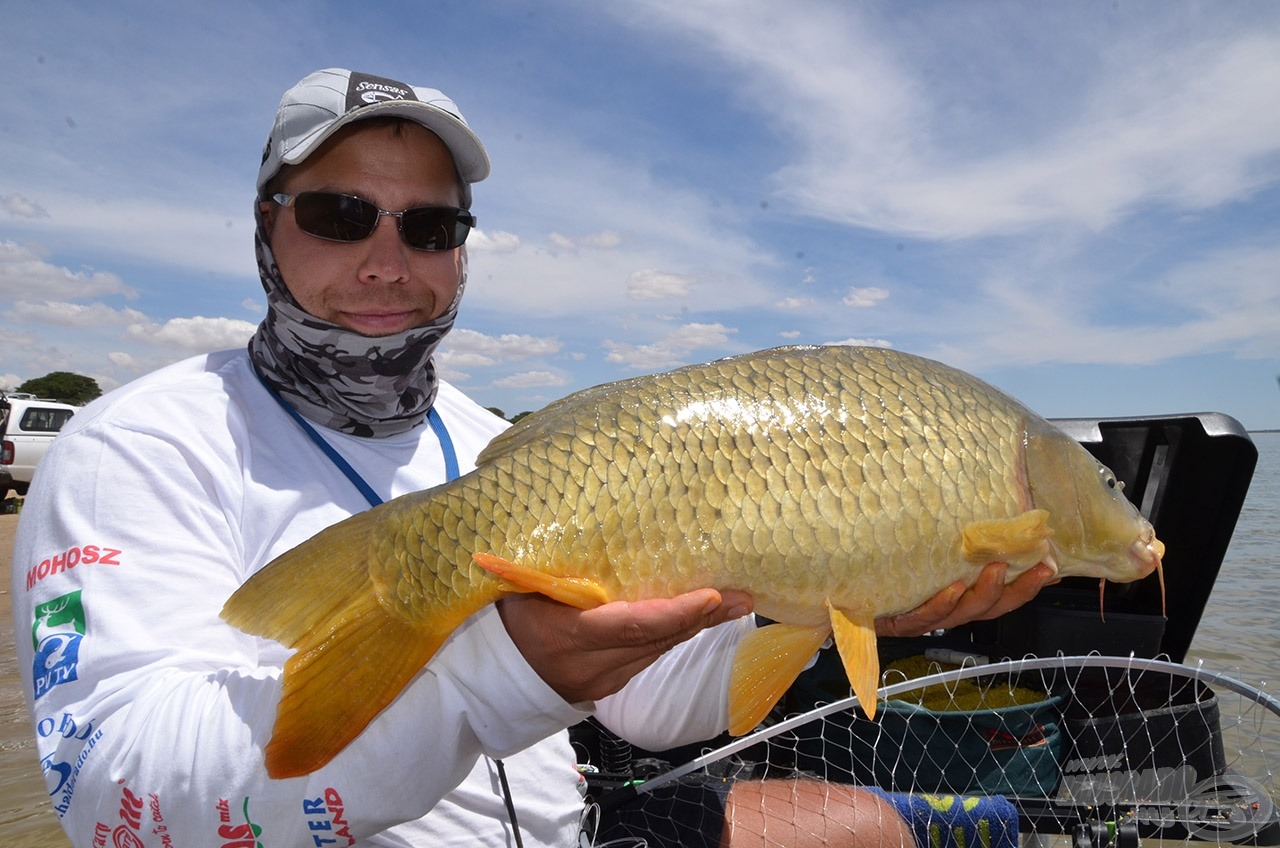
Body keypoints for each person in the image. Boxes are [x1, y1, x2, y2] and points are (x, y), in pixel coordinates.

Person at [10, 68, 1052, 848]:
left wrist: (822, 608)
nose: (386, 259)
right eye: (339, 214)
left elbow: (644, 707)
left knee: (880, 823)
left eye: (429, 225)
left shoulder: (498, 437)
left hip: (571, 826)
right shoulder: (132, 447)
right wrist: (496, 671)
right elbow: (116, 796)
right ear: (264, 227)